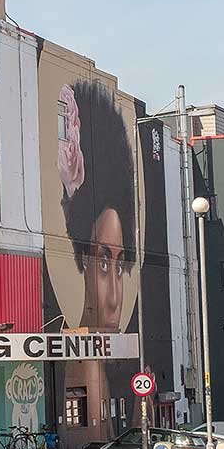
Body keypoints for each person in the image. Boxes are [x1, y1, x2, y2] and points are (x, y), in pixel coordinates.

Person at [60, 80, 139, 429]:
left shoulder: (131, 371)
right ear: (79, 259)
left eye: (119, 266)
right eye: (102, 262)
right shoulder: (65, 360)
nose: (114, 297)